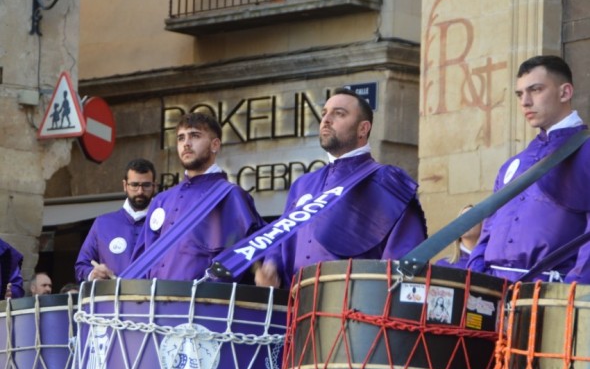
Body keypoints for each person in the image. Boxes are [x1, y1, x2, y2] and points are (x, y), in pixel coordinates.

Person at [255, 88, 427, 288]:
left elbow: (404, 257)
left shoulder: (387, 181)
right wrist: (271, 267)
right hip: (298, 308)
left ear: (363, 129)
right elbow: (280, 242)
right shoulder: (302, 185)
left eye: (339, 114)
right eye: (324, 113)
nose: (326, 120)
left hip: (358, 308)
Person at [468, 55, 590, 283]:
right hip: (493, 292)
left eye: (535, 90)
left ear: (565, 93)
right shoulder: (512, 164)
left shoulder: (586, 152)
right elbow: (489, 229)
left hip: (552, 296)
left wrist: (575, 290)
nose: (525, 101)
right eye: (520, 94)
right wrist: (476, 279)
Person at [131, 112, 265, 281]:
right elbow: (139, 264)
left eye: (195, 136)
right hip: (154, 304)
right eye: (181, 138)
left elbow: (261, 246)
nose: (186, 144)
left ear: (215, 145)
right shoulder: (161, 200)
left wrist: (265, 268)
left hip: (205, 302)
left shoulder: (231, 195)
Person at [75, 158, 157, 282]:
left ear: (154, 186)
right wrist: (92, 273)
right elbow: (81, 266)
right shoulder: (103, 224)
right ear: (125, 185)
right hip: (112, 299)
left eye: (146, 185)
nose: (140, 191)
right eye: (134, 185)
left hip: (152, 299)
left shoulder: (165, 222)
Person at [436, 204, 482, 269]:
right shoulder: (443, 266)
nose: (465, 221)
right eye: (462, 218)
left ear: (482, 225)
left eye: (471, 216)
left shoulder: (492, 265)